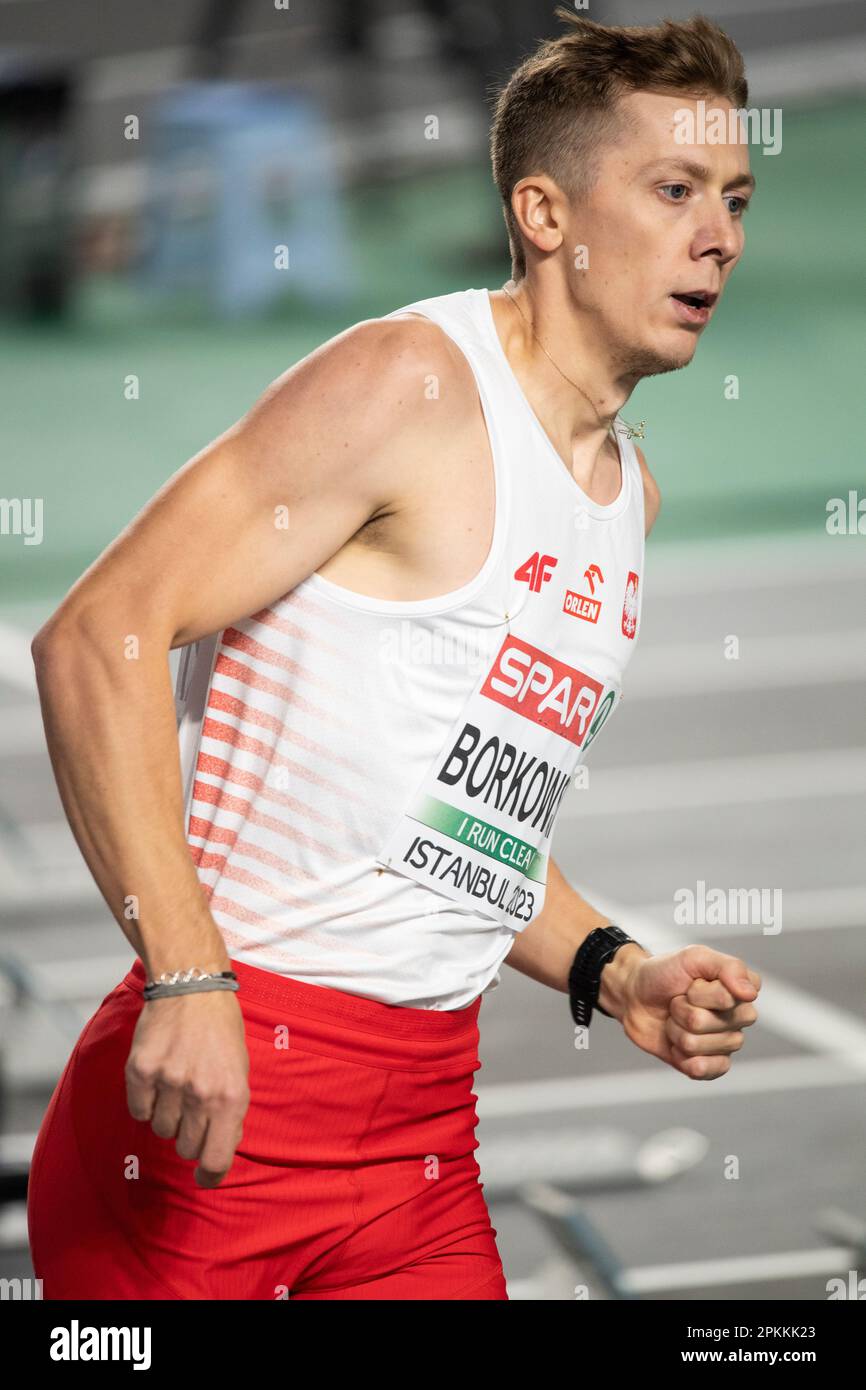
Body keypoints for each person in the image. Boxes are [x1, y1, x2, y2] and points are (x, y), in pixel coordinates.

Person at [27, 12, 761, 1301]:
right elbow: (99, 636)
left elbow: (450, 822)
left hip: (415, 1142)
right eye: (674, 189)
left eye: (736, 198)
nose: (721, 237)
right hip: (214, 1113)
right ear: (546, 213)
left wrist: (616, 967)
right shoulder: (409, 388)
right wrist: (185, 974)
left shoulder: (620, 500)